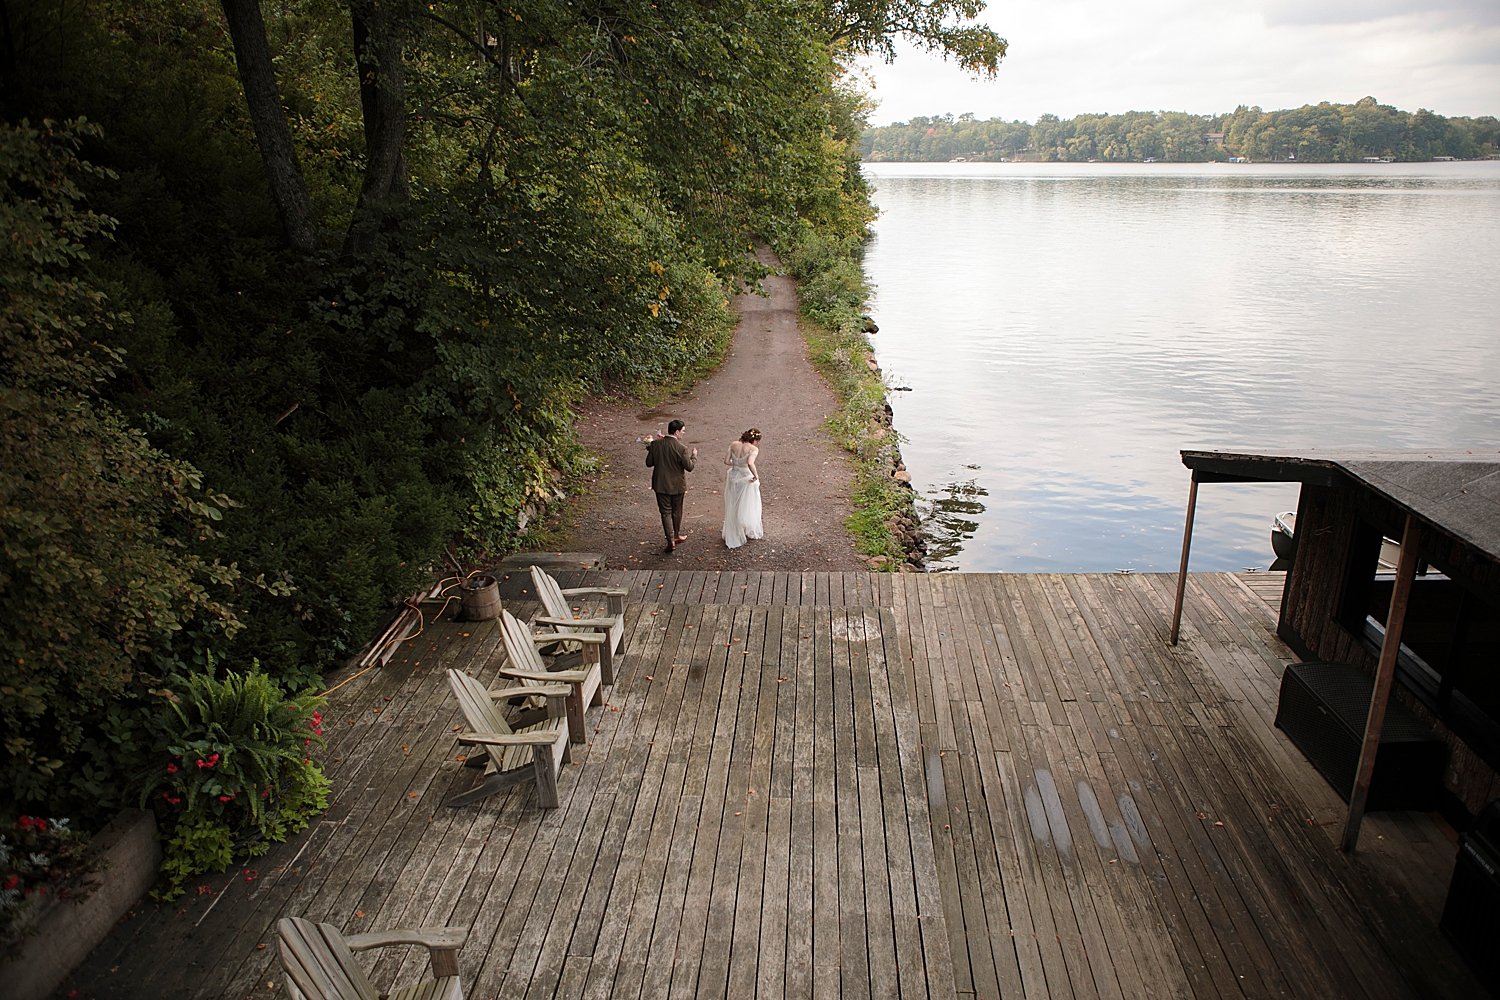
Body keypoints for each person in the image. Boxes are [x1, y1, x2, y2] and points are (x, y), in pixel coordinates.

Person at [645, 419, 697, 553]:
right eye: (683, 431)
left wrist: (651, 450)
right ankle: (676, 535)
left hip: (660, 485)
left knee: (665, 513)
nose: (683, 434)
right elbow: (689, 467)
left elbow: (649, 463)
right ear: (677, 431)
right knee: (677, 510)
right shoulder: (682, 448)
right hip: (677, 485)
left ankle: (670, 541)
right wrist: (694, 456)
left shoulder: (655, 445)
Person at [722, 428, 764, 549]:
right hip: (745, 478)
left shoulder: (733, 444)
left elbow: (726, 461)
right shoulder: (753, 449)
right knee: (747, 503)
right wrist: (756, 476)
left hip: (733, 477)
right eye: (757, 440)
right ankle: (746, 526)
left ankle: (734, 530)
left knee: (733, 504)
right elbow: (750, 463)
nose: (758, 443)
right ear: (754, 440)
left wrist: (736, 464)